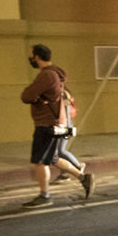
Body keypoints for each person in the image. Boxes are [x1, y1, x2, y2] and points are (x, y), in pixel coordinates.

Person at [20, 44, 94, 208]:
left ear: (37, 57)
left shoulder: (47, 76)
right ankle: (82, 177)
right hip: (57, 123)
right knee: (54, 157)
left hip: (48, 124)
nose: (31, 58)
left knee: (41, 161)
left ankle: (44, 195)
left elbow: (26, 95)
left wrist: (36, 98)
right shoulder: (53, 75)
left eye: (32, 55)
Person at [53, 87, 87, 182]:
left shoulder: (63, 94)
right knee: (58, 151)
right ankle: (64, 174)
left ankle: (77, 166)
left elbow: (66, 111)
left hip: (64, 126)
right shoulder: (60, 92)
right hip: (63, 125)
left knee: (60, 151)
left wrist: (67, 127)